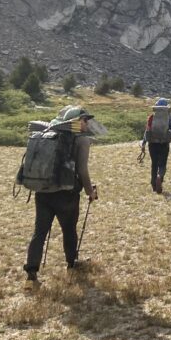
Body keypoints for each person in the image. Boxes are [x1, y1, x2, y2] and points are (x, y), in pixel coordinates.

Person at [24, 105, 100, 285]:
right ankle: (71, 263)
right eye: (84, 120)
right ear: (76, 121)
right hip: (66, 194)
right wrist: (90, 191)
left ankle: (31, 270)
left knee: (40, 232)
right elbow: (82, 170)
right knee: (69, 230)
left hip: (43, 191)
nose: (87, 123)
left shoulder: (49, 134)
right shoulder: (82, 141)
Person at [140, 98, 171, 193]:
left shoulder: (152, 117)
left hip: (152, 144)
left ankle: (153, 185)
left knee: (154, 164)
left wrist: (143, 144)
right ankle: (159, 177)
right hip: (164, 144)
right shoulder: (170, 117)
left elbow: (147, 131)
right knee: (163, 163)